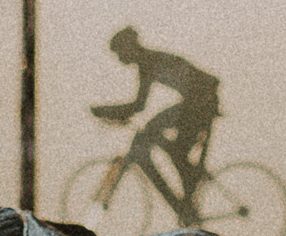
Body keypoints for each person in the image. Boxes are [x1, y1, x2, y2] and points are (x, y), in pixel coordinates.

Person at [90, 27, 222, 206]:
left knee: (175, 150)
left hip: (201, 102)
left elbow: (138, 105)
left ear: (129, 48)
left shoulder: (148, 62)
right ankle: (187, 199)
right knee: (157, 133)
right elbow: (139, 106)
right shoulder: (148, 61)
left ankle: (187, 201)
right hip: (198, 101)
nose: (120, 57)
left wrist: (106, 111)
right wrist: (112, 111)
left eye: (120, 52)